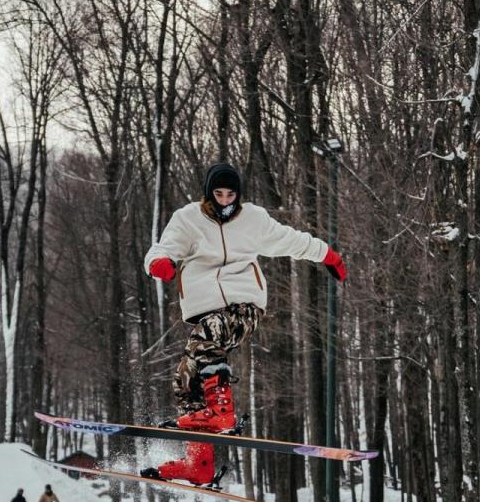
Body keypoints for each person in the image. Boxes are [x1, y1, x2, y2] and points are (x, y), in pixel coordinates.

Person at [140, 161, 346, 484]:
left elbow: (291, 240)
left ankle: (221, 410)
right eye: (218, 194)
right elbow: (162, 248)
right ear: (209, 194)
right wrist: (160, 263)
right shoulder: (188, 220)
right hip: (205, 311)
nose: (225, 201)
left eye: (230, 194)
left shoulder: (254, 220)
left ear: (238, 195)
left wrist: (327, 255)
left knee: (209, 337)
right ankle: (199, 462)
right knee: (185, 378)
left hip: (244, 305)